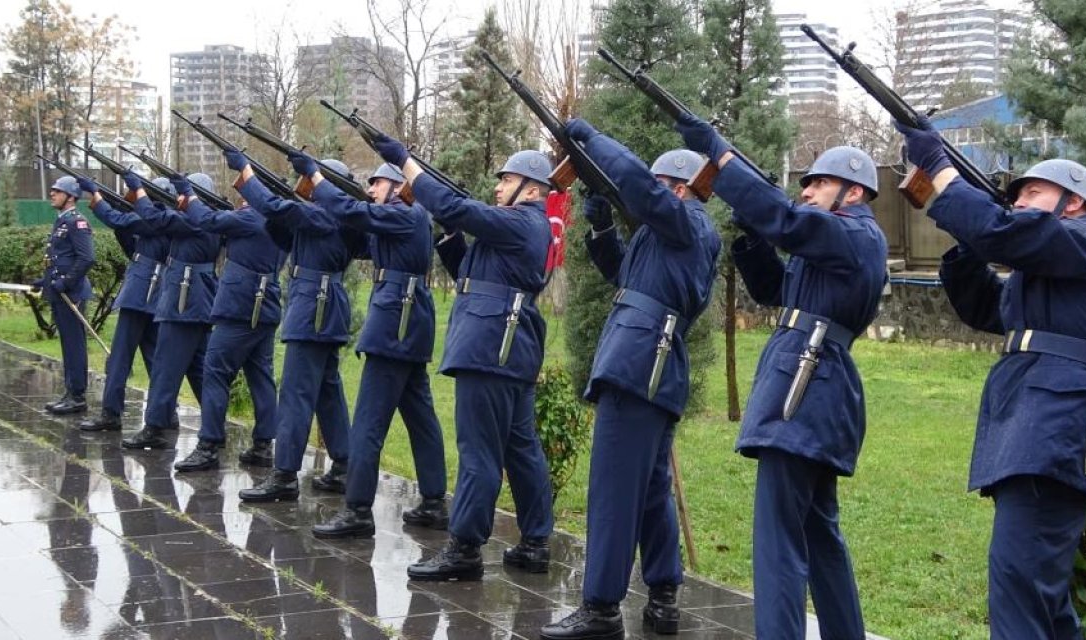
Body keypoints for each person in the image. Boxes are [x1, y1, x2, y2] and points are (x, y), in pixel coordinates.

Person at [897, 120, 1086, 639]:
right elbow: (987, 306)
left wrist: (941, 170)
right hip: (1040, 427)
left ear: (1073, 203)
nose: (1019, 201)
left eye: (1033, 191)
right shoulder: (1055, 268)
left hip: (1056, 429)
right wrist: (968, 235)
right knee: (1043, 600)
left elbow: (1004, 235)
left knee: (1018, 588)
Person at [677, 114, 888, 639]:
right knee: (818, 536)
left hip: (806, 387)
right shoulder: (834, 241)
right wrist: (751, 237)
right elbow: (777, 288)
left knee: (778, 544)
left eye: (820, 182)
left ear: (854, 191)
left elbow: (790, 223)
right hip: (812, 384)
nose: (809, 190)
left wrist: (721, 158)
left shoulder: (854, 234)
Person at [540, 122, 720, 640]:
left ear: (679, 189)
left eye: (660, 185)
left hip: (641, 361)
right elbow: (626, 274)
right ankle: (663, 594)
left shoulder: (688, 220)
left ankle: (600, 608)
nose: (650, 195)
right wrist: (599, 227)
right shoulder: (671, 234)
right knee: (649, 490)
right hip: (649, 362)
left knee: (615, 488)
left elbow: (637, 185)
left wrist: (591, 141)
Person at [371, 135, 555, 582]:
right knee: (520, 449)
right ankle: (535, 542)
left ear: (532, 189)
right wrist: (451, 238)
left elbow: (457, 208)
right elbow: (476, 276)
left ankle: (465, 547)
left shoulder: (523, 222)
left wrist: (406, 163)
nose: (498, 187)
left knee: (479, 454)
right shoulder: (522, 226)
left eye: (507, 179)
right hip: (506, 350)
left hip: (491, 351)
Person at [301, 159, 449, 538]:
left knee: (367, 422)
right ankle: (434, 500)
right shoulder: (400, 220)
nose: (370, 190)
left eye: (378, 184)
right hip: (405, 324)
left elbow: (354, 212)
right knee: (421, 417)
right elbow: (359, 233)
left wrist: (317, 181)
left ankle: (358, 509)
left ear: (400, 186)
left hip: (394, 326)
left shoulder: (406, 215)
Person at [228, 150, 359, 502]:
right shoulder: (325, 218)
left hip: (314, 308)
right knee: (327, 391)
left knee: (296, 393)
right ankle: (345, 464)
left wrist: (247, 171)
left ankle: (285, 474)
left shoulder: (326, 216)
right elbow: (282, 230)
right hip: (320, 306)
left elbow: (274, 209)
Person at [171, 174, 289, 471]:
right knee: (260, 376)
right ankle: (263, 443)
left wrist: (190, 195)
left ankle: (209, 445)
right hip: (265, 306)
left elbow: (207, 220)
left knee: (215, 372)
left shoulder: (251, 217)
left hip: (240, 308)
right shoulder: (280, 220)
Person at [118, 173, 219, 450]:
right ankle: (214, 425)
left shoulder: (195, 220)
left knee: (165, 367)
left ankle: (155, 427)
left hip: (183, 303)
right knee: (200, 371)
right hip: (198, 302)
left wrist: (138, 191)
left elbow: (156, 220)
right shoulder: (206, 219)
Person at [75, 176, 174, 433]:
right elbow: (131, 246)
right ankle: (166, 411)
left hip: (142, 292)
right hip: (153, 293)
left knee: (120, 356)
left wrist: (95, 195)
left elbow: (117, 220)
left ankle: (111, 412)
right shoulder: (163, 220)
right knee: (154, 357)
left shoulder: (155, 218)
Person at [33, 176, 95, 415]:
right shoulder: (61, 221)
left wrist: (66, 282)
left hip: (73, 293)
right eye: (52, 190)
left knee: (74, 345)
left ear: (71, 197)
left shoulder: (76, 222)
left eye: (57, 191)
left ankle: (77, 396)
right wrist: (46, 281)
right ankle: (70, 392)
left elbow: (86, 258)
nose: (52, 194)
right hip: (60, 292)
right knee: (67, 345)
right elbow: (61, 259)